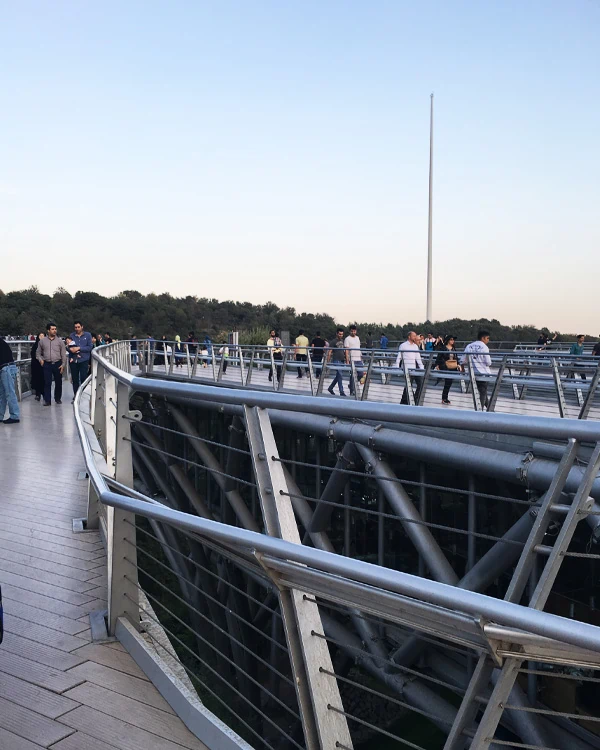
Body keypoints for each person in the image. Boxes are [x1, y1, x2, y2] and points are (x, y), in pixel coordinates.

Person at [37, 323, 67, 406]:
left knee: (58, 382)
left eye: (55, 329)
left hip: (57, 363)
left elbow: (63, 354)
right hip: (47, 364)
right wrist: (41, 360)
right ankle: (47, 400)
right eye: (53, 329)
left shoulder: (60, 341)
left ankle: (57, 398)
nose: (54, 331)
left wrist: (63, 364)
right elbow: (38, 353)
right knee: (47, 382)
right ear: (48, 330)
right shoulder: (42, 341)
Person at [461, 330, 492, 409]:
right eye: (487, 338)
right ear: (483, 338)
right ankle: (480, 409)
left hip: (473, 372)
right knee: (483, 392)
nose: (488, 340)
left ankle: (489, 409)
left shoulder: (469, 346)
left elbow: (463, 360)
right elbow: (488, 362)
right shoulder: (484, 347)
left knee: (482, 391)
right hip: (483, 373)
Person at [395, 331, 424, 404]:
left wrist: (422, 368)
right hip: (407, 369)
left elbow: (418, 358)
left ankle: (414, 400)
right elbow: (399, 357)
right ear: (409, 337)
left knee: (420, 384)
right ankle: (404, 402)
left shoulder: (415, 346)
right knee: (408, 386)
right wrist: (397, 368)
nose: (415, 337)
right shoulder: (403, 345)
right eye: (414, 336)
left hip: (414, 369)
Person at [67, 320, 93, 401]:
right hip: (74, 360)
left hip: (84, 360)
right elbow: (67, 346)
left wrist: (79, 348)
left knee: (83, 378)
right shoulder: (72, 335)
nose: (77, 329)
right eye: (75, 327)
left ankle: (83, 395)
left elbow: (90, 347)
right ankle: (76, 396)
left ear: (82, 327)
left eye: (78, 327)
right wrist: (71, 349)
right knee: (75, 379)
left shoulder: (88, 335)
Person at [435, 335, 462, 405]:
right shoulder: (443, 348)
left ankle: (445, 397)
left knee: (449, 383)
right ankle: (444, 398)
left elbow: (456, 358)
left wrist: (458, 365)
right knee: (447, 382)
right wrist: (438, 365)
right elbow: (439, 357)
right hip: (445, 367)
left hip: (453, 367)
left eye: (453, 340)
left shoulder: (453, 348)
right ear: (448, 341)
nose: (453, 341)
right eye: (451, 340)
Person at [0, 336, 20, 423]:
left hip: (6, 368)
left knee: (9, 393)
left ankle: (15, 416)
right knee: (3, 394)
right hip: (7, 367)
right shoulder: (2, 342)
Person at [344, 325, 365, 395]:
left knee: (361, 374)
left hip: (358, 359)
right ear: (350, 331)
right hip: (352, 359)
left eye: (354, 331)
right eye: (352, 331)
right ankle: (352, 390)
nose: (353, 332)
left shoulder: (357, 338)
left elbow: (358, 348)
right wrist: (347, 360)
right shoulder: (347, 339)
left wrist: (361, 357)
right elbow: (346, 350)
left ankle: (351, 385)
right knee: (352, 375)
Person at [327, 327, 346, 396]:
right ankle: (341, 391)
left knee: (338, 375)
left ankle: (330, 388)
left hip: (341, 360)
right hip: (336, 360)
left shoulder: (343, 341)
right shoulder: (333, 341)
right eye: (339, 334)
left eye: (342, 334)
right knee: (340, 375)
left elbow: (345, 351)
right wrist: (328, 361)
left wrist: (346, 359)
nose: (341, 335)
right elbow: (330, 351)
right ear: (337, 334)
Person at [31, 333, 45, 401]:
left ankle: (44, 393)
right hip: (36, 365)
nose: (41, 337)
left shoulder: (46, 345)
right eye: (40, 336)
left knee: (44, 379)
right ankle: (37, 394)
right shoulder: (35, 345)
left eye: (43, 336)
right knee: (37, 379)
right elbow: (33, 354)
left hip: (44, 364)